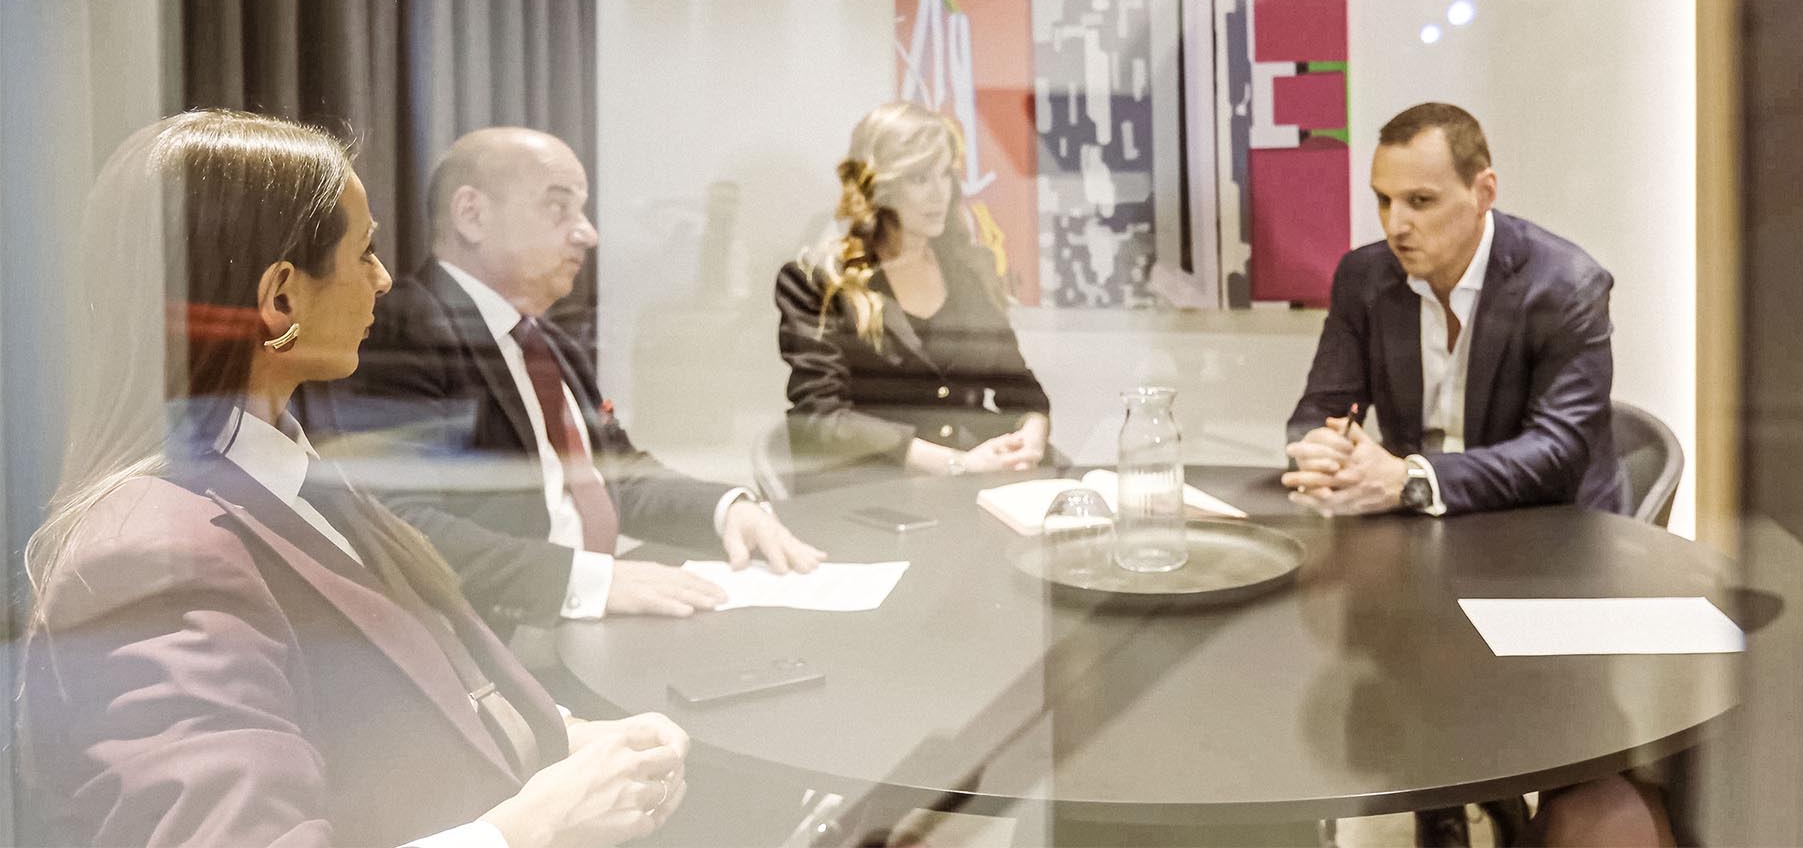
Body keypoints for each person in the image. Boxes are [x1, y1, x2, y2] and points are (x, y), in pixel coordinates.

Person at [22, 110, 692, 847]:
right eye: (364, 251)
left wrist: (563, 736)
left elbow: (407, 693)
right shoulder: (157, 558)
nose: (382, 278)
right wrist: (536, 825)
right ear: (281, 299)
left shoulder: (286, 474)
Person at [1281, 102, 1655, 847]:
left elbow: (1558, 451)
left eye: (1420, 201)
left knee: (1549, 751)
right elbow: (1319, 408)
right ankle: (1443, 799)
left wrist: (1410, 479)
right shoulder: (1365, 277)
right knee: (1339, 640)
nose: (1396, 224)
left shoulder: (1567, 284)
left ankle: (1499, 793)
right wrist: (1322, 449)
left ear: (1483, 192)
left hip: (1547, 549)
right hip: (1426, 541)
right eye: (1383, 200)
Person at [308, 128, 824, 633]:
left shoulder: (548, 341)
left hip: (580, 619)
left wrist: (727, 510)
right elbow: (396, 524)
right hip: (498, 636)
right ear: (472, 215)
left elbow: (616, 474)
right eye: (559, 207)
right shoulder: (401, 332)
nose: (587, 233)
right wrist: (587, 582)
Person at [775, 101, 1055, 490]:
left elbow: (1020, 389)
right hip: (867, 494)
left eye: (945, 175)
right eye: (920, 179)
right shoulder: (818, 281)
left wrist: (1031, 436)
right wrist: (956, 464)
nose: (939, 194)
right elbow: (820, 420)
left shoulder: (969, 272)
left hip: (967, 489)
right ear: (879, 186)